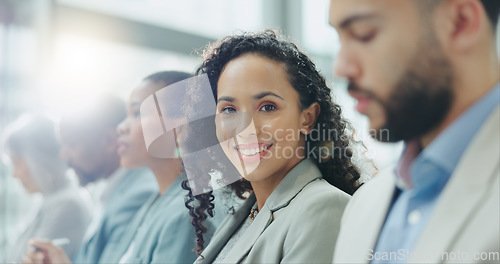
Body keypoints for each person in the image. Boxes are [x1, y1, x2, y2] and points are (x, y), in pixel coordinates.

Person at [329, 0, 499, 263]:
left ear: (460, 23)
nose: (340, 68)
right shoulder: (363, 206)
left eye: (364, 34)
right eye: (339, 39)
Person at [182, 31, 369, 263]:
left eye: (267, 107)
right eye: (229, 109)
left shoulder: (324, 208)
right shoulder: (248, 212)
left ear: (307, 118)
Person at [24, 71, 221, 264]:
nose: (121, 127)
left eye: (137, 114)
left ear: (179, 129)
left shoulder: (182, 218)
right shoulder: (156, 203)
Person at [21, 96, 157, 264]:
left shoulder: (136, 195)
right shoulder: (112, 191)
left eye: (71, 145)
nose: (63, 156)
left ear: (109, 140)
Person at [2, 114, 91, 263]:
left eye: (17, 162)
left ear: (39, 159)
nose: (14, 175)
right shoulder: (49, 200)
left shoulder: (67, 206)